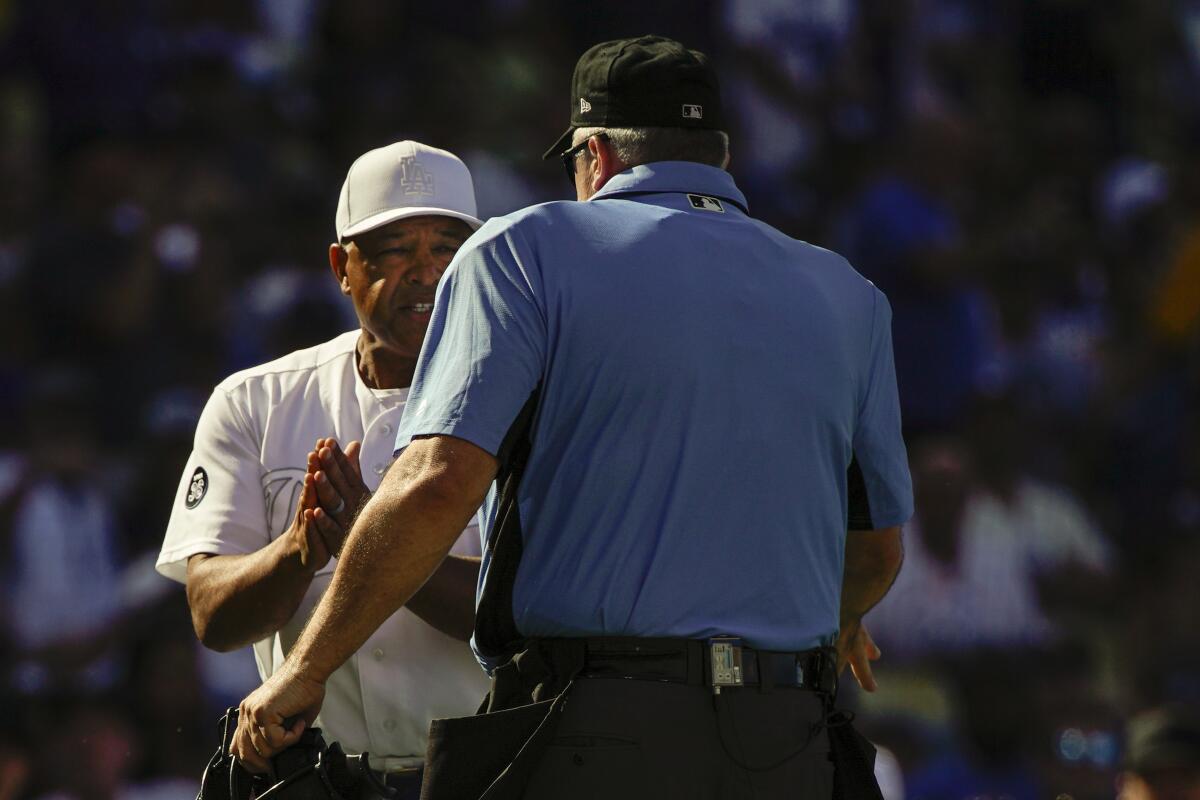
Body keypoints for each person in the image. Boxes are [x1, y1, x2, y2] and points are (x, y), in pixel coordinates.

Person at [232, 36, 912, 800]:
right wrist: (842, 620)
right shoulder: (849, 294)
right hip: (786, 736)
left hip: (599, 734)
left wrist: (304, 670)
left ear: (598, 155)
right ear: (720, 155)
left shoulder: (527, 250)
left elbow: (435, 488)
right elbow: (877, 552)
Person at [156, 141, 490, 798]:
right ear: (342, 265)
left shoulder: (535, 399)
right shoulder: (258, 399)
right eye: (395, 249)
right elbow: (213, 617)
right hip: (321, 778)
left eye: (447, 247)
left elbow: (523, 613)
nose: (425, 271)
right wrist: (301, 549)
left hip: (489, 774)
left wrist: (373, 534)